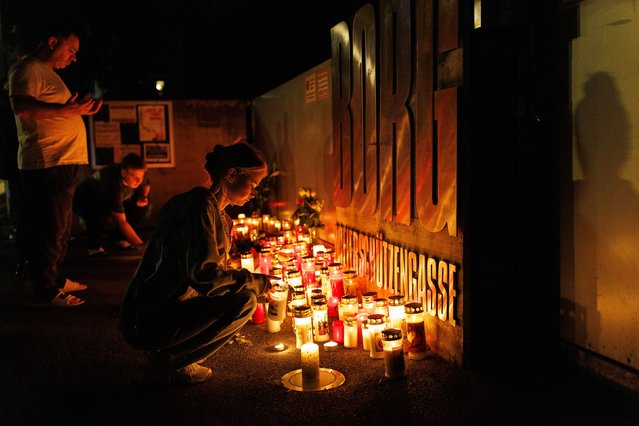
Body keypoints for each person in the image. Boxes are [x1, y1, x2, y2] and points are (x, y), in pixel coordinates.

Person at [119, 142, 271, 385]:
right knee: (244, 302)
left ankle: (166, 355)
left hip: (164, 310)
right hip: (148, 317)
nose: (253, 194)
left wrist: (247, 283)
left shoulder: (219, 215)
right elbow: (205, 276)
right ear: (231, 174)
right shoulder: (198, 207)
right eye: (252, 185)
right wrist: (256, 282)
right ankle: (170, 362)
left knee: (243, 295)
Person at [8, 23, 103, 307]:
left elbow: (55, 113)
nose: (73, 57)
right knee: (51, 226)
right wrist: (67, 110)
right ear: (52, 41)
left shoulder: (46, 75)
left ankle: (54, 277)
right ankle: (45, 288)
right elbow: (22, 108)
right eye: (70, 50)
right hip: (49, 160)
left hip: (63, 159)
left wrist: (77, 110)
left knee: (60, 225)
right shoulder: (27, 69)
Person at [73, 153, 150, 256]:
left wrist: (143, 196)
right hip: (86, 198)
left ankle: (117, 239)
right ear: (123, 173)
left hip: (115, 197)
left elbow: (146, 184)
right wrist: (140, 246)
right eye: (135, 177)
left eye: (141, 176)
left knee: (141, 205)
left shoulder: (137, 174)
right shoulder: (113, 185)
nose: (138, 181)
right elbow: (121, 221)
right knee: (97, 212)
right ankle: (94, 246)